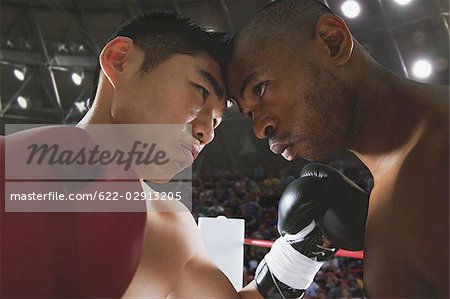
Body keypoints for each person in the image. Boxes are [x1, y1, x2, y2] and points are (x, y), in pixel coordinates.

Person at [2, 11, 361, 299]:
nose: (207, 131)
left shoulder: (172, 227)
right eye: (200, 91)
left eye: (219, 121)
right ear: (120, 59)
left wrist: (300, 251)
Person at [227, 0, 449, 297]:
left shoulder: (437, 161)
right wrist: (294, 259)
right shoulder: (401, 180)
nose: (259, 129)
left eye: (261, 89)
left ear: (333, 43)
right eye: (249, 114)